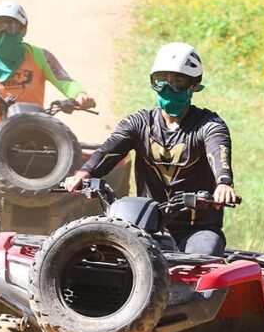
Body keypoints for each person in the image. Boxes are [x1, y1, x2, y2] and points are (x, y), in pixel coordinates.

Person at [64, 42, 237, 256]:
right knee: (102, 254)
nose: (168, 88)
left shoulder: (209, 125)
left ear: (194, 85)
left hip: (196, 230)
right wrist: (85, 173)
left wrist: (223, 183)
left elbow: (218, 149)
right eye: (161, 81)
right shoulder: (139, 123)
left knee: (204, 256)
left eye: (178, 81)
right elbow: (108, 150)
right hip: (143, 226)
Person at [0, 1, 96, 129]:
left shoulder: (41, 56)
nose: (5, 33)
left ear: (23, 30)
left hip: (34, 127)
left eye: (11, 27)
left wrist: (80, 95)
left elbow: (65, 81)